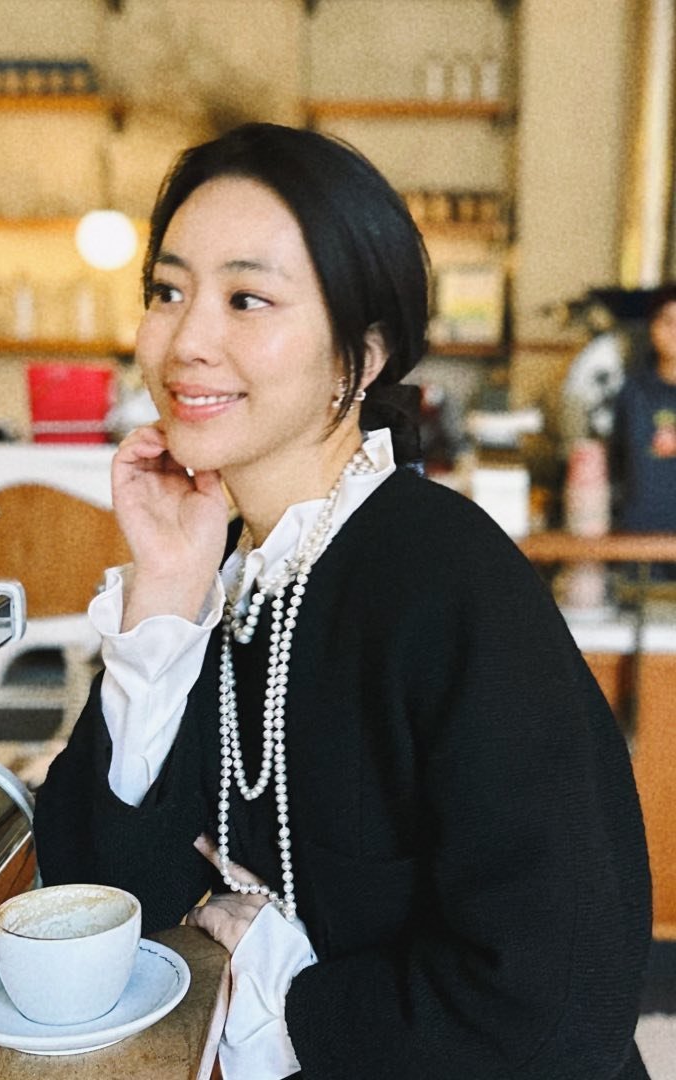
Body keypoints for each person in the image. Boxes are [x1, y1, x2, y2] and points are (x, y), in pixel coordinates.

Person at [32, 123, 652, 1079]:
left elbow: (557, 1001)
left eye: (247, 298)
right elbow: (102, 899)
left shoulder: (448, 578)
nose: (186, 341)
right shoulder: (225, 567)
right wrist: (164, 593)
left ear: (359, 359)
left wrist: (285, 995)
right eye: (168, 291)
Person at [610, 283, 676, 536]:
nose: (674, 330)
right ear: (652, 328)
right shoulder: (632, 392)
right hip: (637, 535)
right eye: (667, 321)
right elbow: (616, 459)